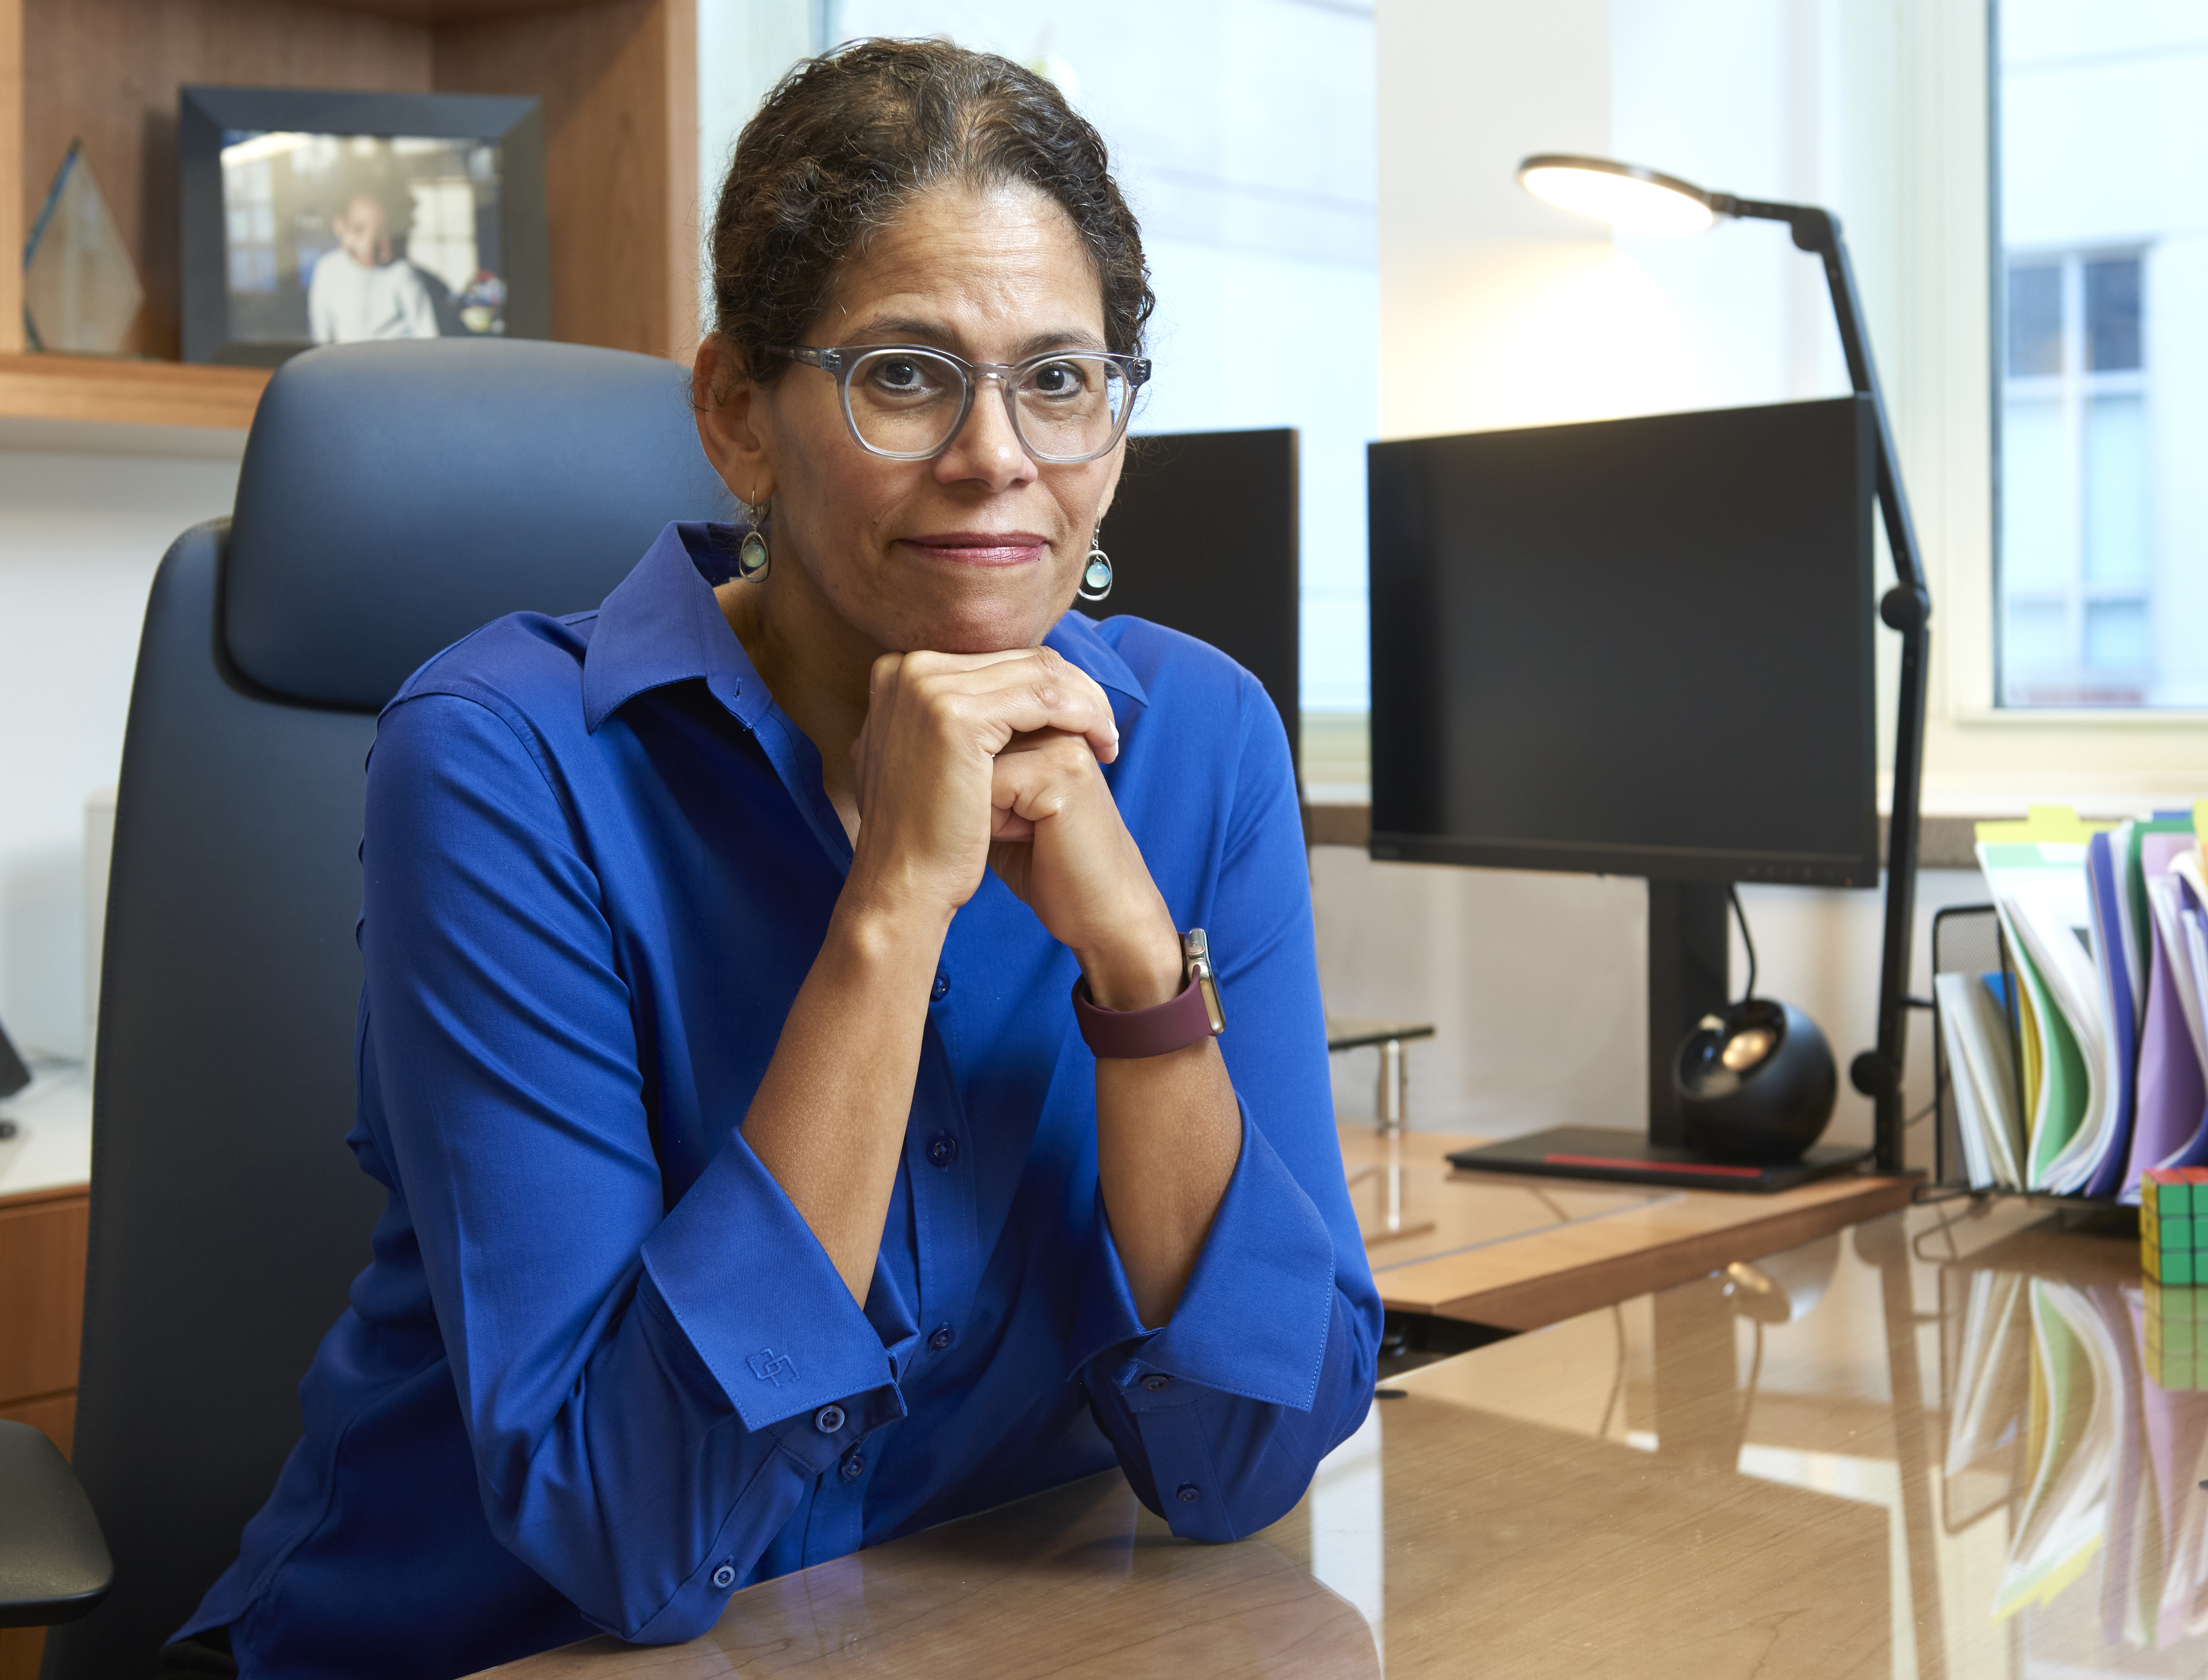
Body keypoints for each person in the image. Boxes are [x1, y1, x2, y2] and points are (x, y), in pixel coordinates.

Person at [166, 38, 1379, 1680]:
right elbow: (629, 1537)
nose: (994, 456)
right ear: (737, 414)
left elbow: (1243, 1461)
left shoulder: (1201, 738)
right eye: (901, 372)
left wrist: (1138, 976)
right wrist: (887, 912)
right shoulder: (507, 754)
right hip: (482, 1646)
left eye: (1059, 376)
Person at [305, 188, 439, 344]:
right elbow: (321, 336)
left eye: (381, 232)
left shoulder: (401, 272)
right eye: (359, 229)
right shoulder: (327, 269)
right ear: (340, 226)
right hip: (346, 365)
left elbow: (428, 335)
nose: (369, 244)